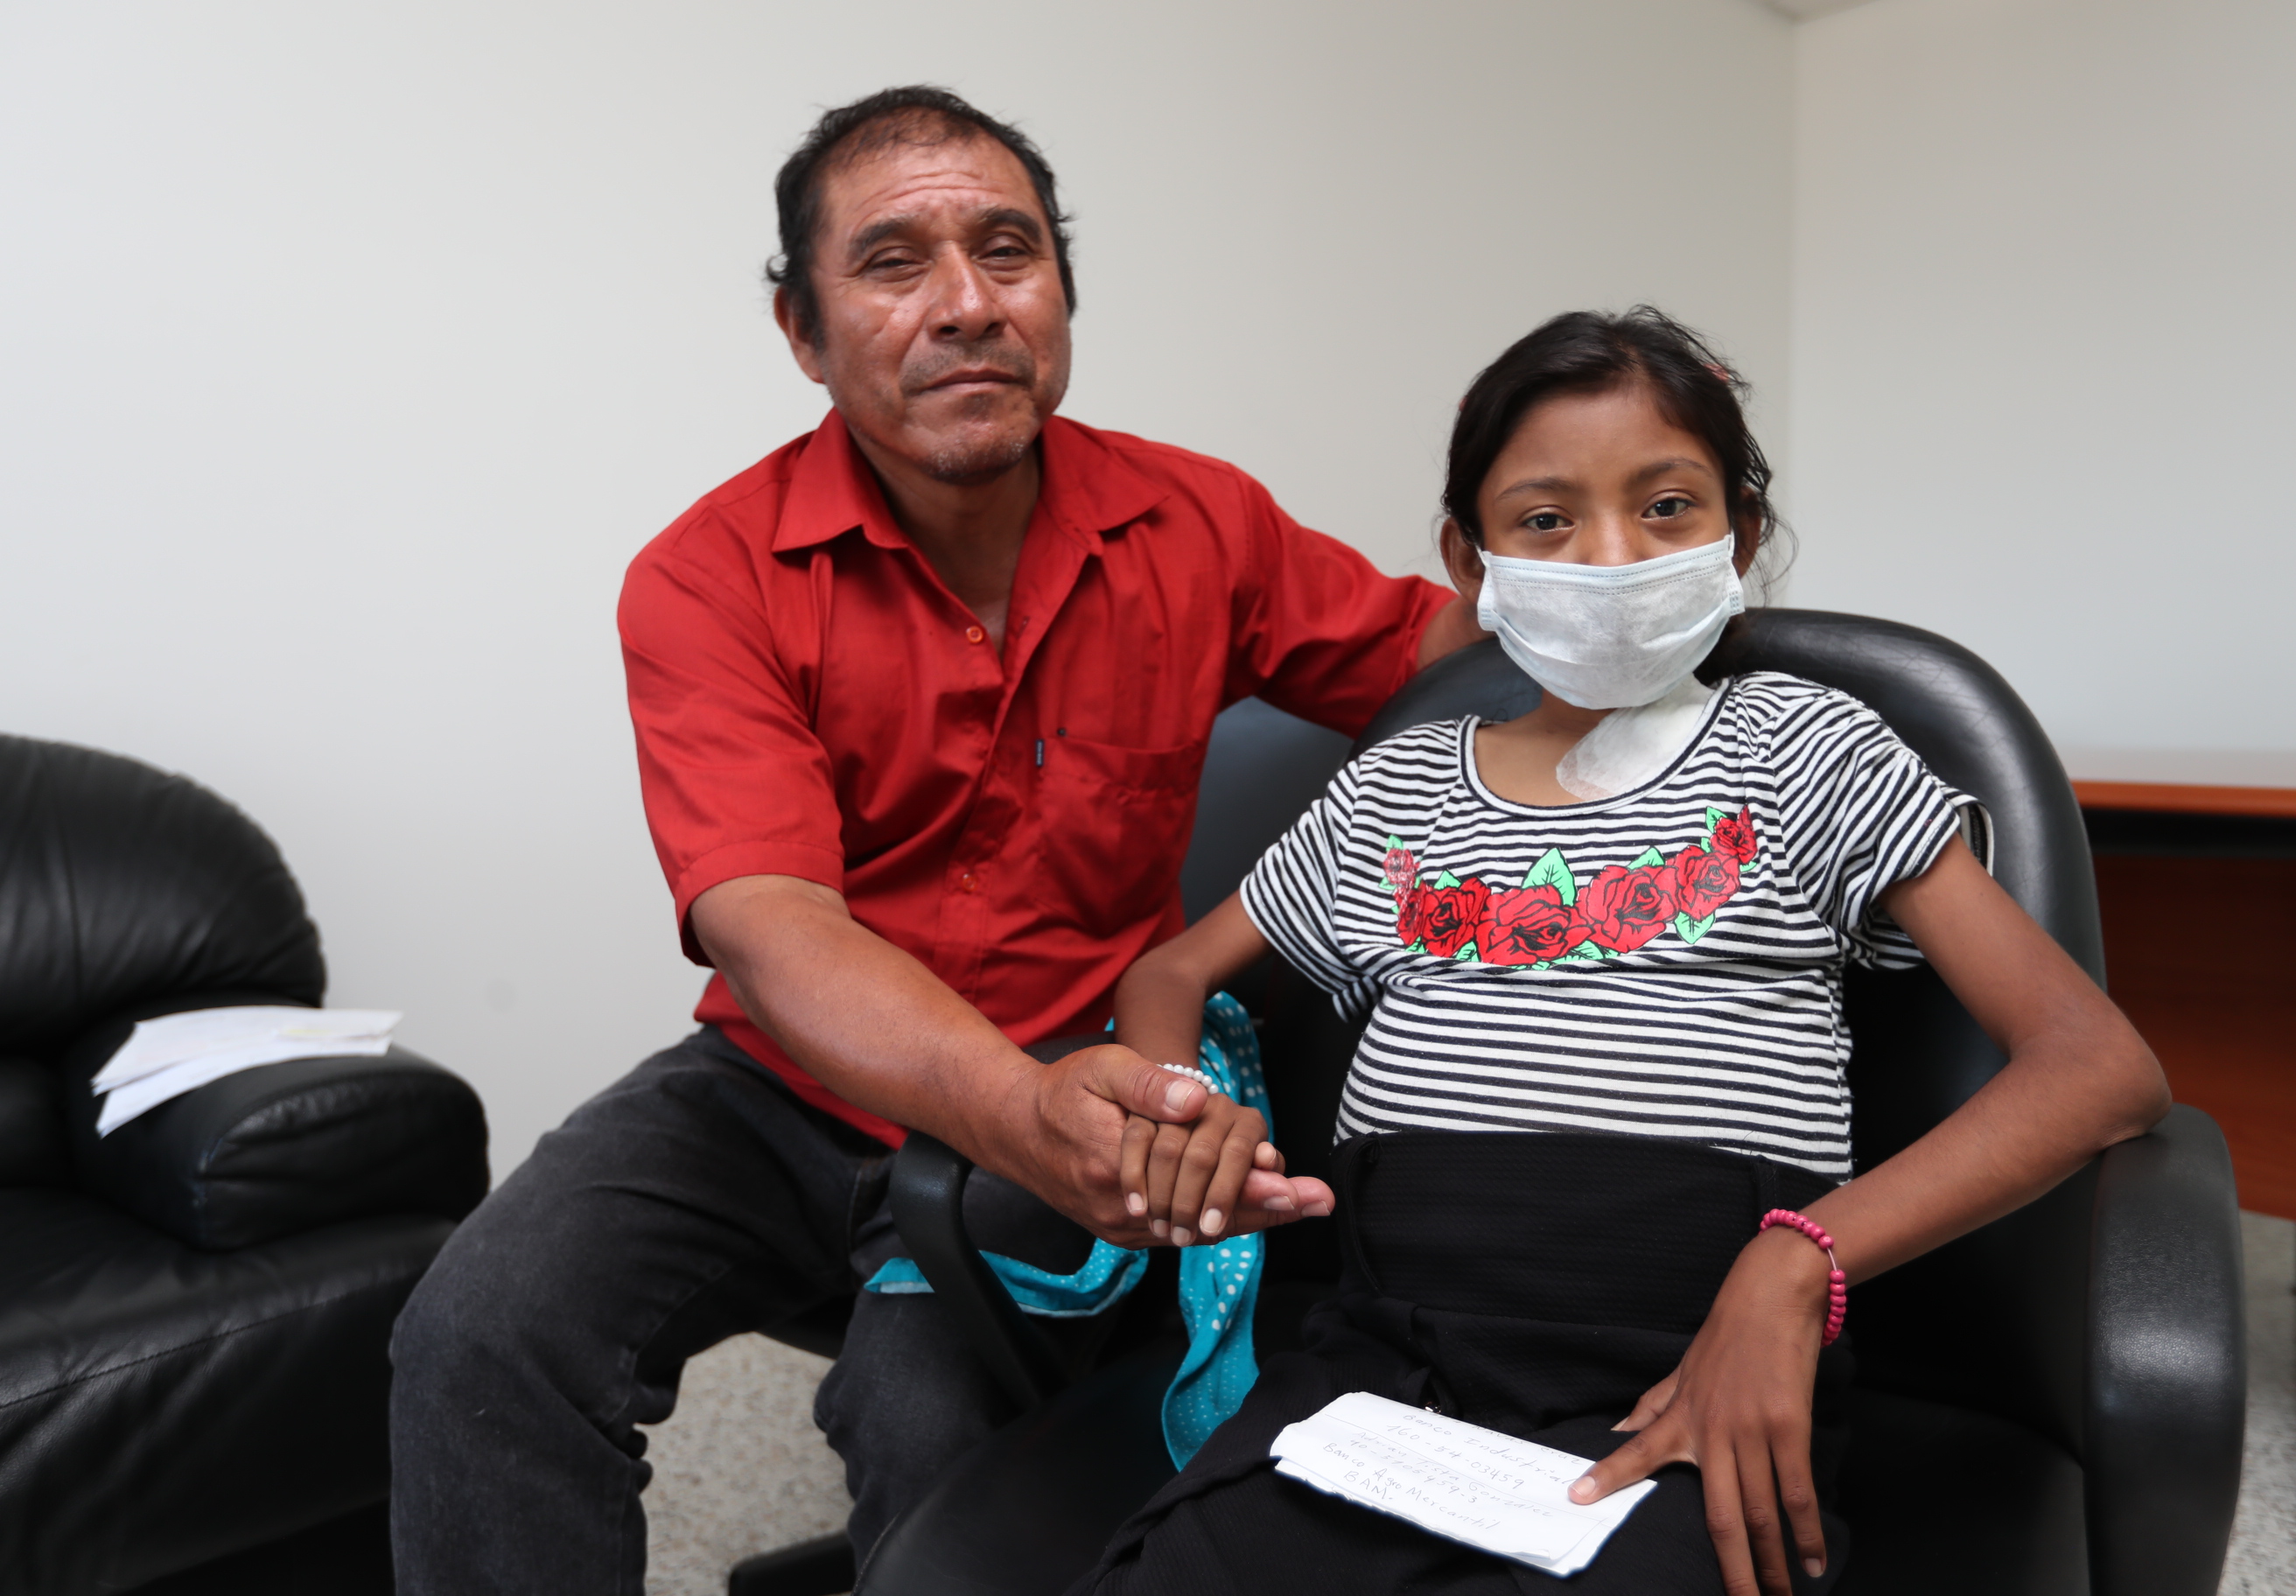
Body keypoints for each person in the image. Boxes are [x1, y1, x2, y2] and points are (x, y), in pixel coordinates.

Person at [386, 85, 1485, 1593]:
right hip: (786, 1085)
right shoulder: (708, 578)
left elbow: (1443, 667)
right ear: (802, 329)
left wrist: (1612, 552)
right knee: (481, 1336)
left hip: (1078, 1065)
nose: (966, 303)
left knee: (927, 1429)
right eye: (894, 262)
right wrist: (1017, 1120)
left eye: (1008, 251)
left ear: (1062, 295)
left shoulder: (1198, 524)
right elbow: (778, 930)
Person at [1077, 308, 2172, 1595]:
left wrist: (1793, 1261)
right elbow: (1166, 975)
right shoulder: (1403, 790)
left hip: (1696, 1378)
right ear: (1469, 559)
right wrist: (1179, 1108)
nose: (1609, 557)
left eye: (1666, 507)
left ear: (1740, 537)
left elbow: (2097, 1066)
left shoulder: (1808, 752)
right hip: (1384, 1372)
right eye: (1547, 520)